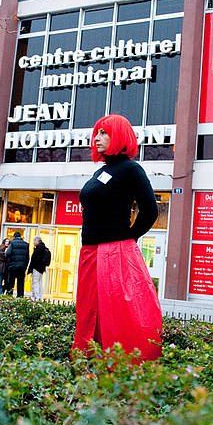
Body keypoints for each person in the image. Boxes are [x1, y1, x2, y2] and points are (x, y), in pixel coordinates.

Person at [72, 114, 162, 363]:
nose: (97, 138)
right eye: (97, 132)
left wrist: (127, 239)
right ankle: (90, 362)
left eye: (104, 132)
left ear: (119, 136)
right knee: (89, 310)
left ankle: (125, 368)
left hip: (114, 251)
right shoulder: (102, 171)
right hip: (90, 251)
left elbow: (150, 210)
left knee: (120, 315)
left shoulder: (131, 169)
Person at [5, 232, 30, 297]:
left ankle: (9, 295)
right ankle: (20, 296)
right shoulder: (26, 244)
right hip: (22, 267)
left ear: (14, 237)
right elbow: (27, 257)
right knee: (20, 283)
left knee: (11, 282)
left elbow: (7, 253)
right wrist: (25, 266)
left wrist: (8, 262)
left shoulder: (12, 243)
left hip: (12, 266)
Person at [28, 235, 51, 301]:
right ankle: (40, 296)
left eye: (34, 241)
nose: (33, 242)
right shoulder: (44, 248)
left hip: (37, 268)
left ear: (36, 241)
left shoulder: (38, 248)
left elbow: (34, 259)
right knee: (40, 282)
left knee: (35, 282)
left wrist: (31, 268)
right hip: (41, 269)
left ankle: (36, 297)